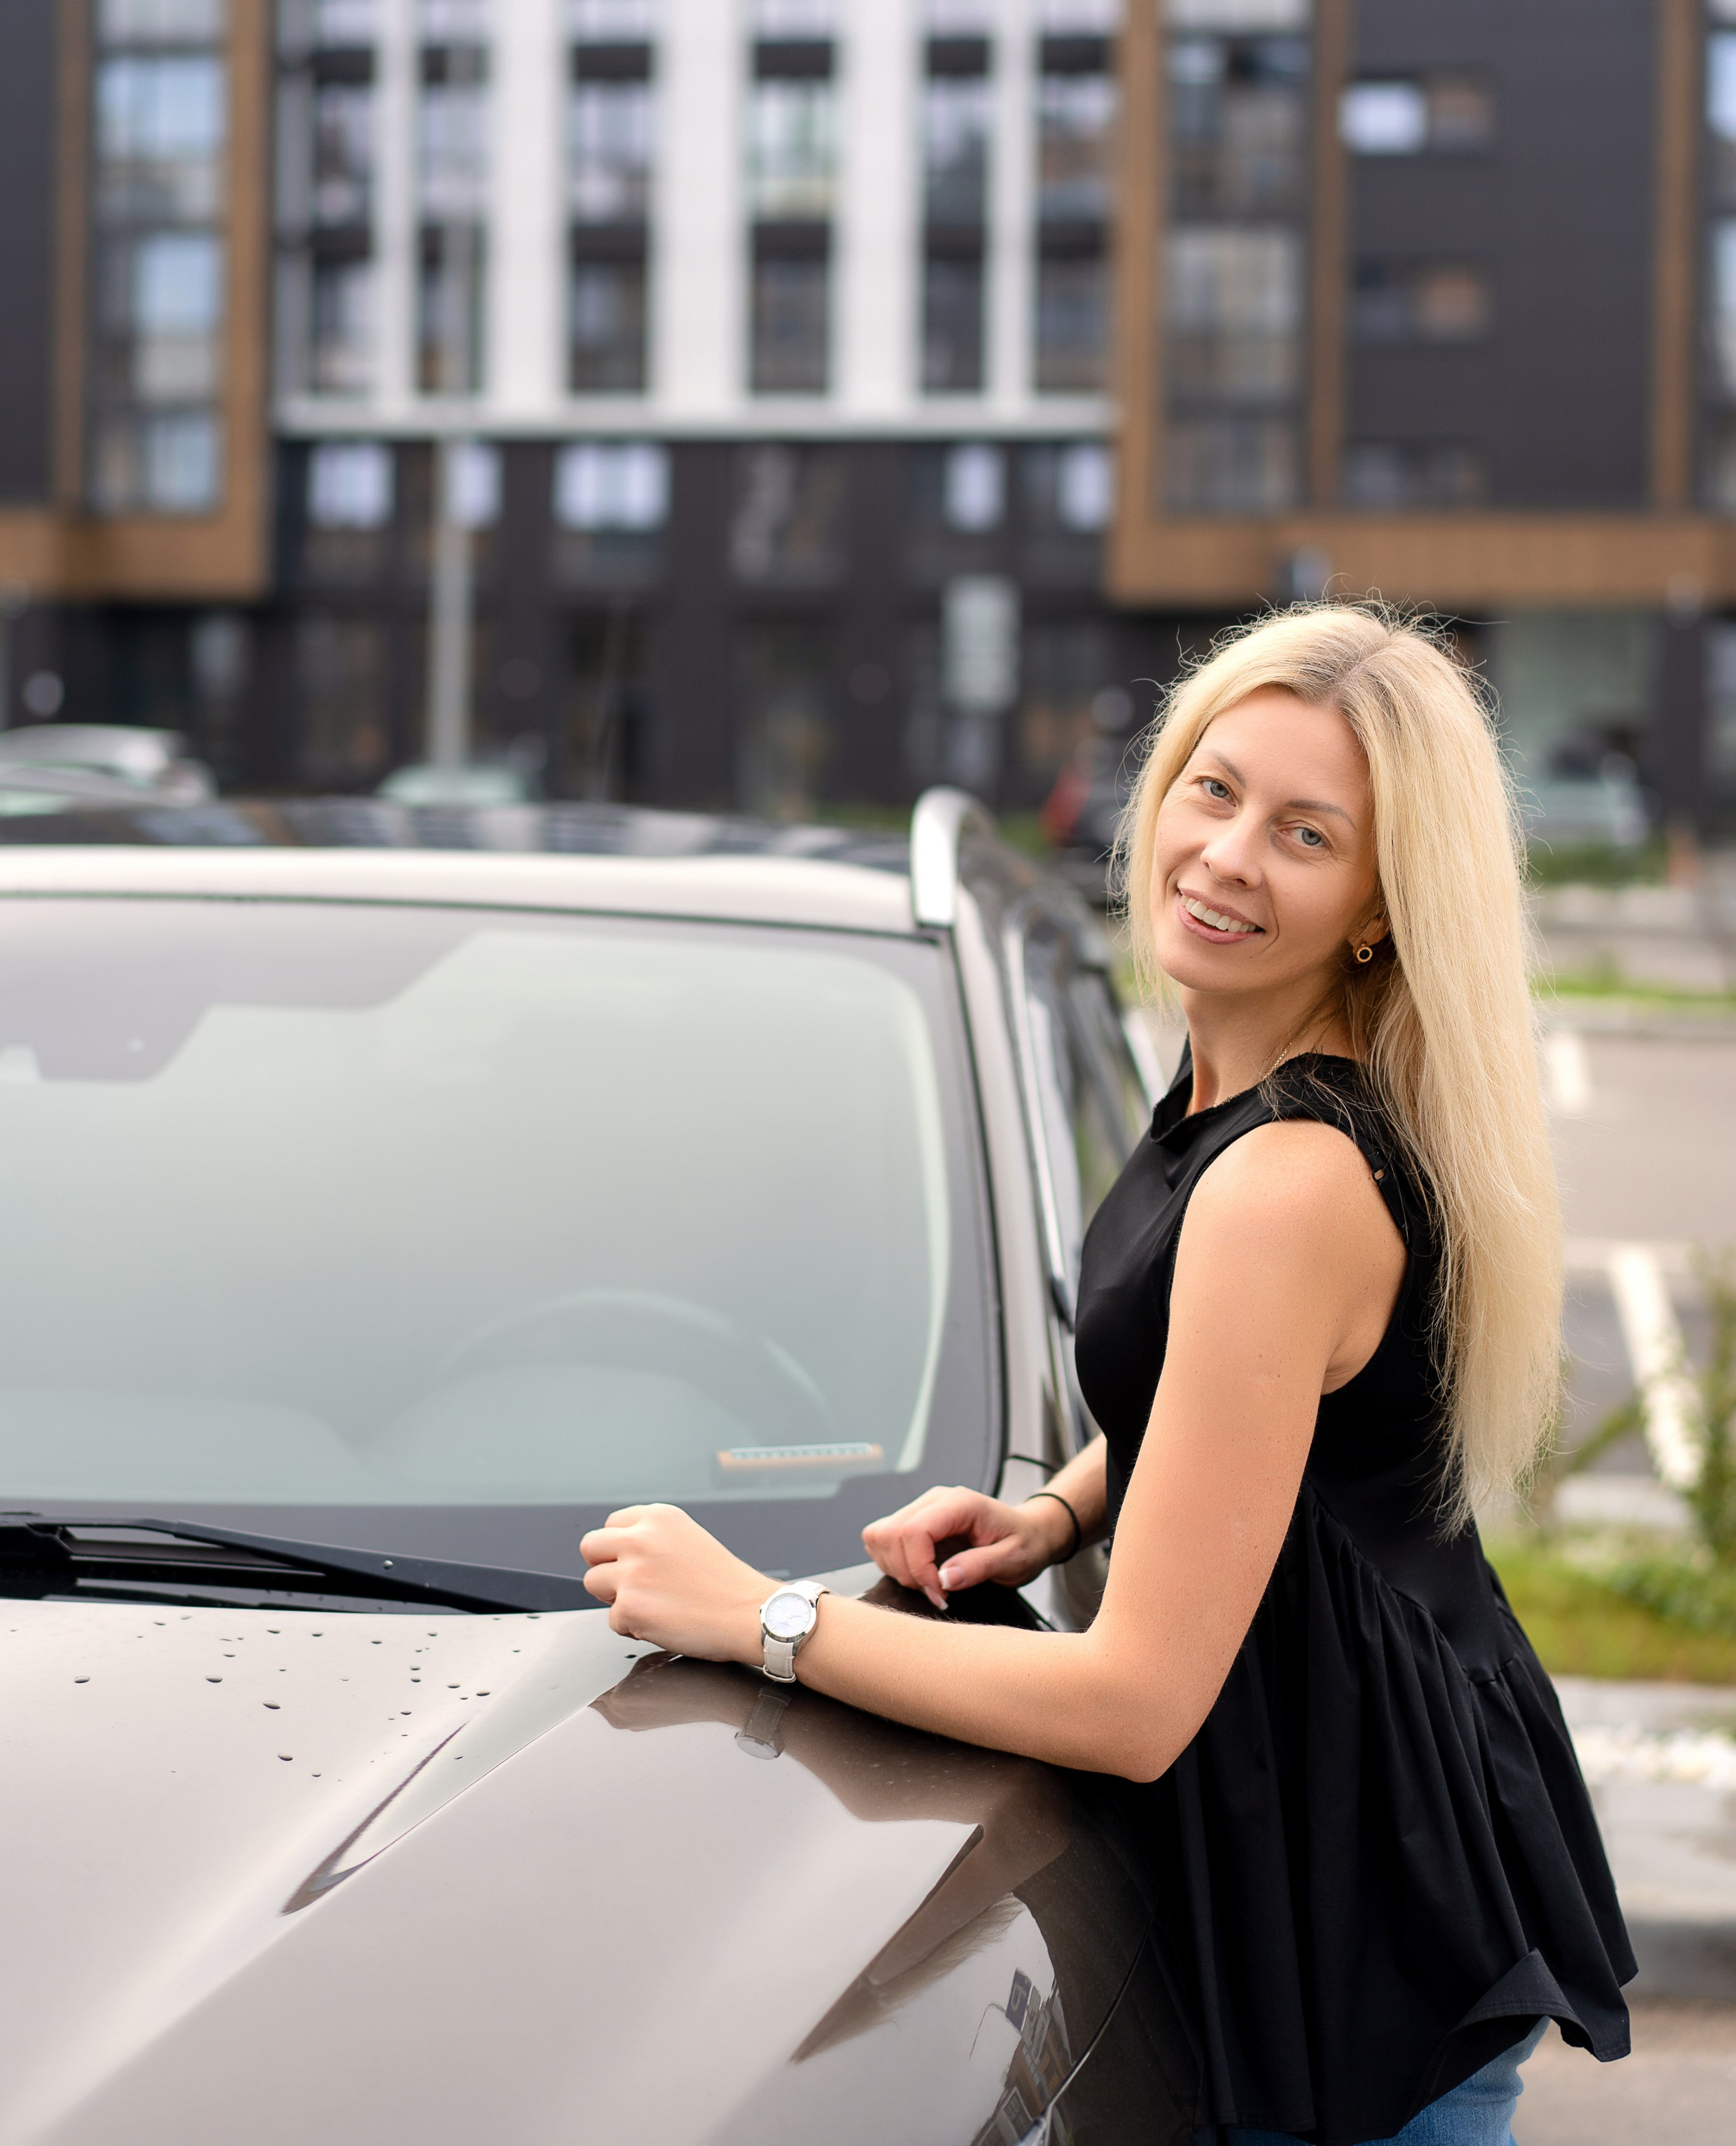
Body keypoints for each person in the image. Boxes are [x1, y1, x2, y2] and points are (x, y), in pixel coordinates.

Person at [580, 603, 1634, 2145]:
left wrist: (761, 1617)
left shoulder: (1288, 1179)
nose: (1221, 855)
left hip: (1355, 1928)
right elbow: (1263, 1396)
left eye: (1302, 833)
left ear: (1375, 907)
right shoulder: (1235, 1076)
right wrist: (1067, 1511)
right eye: (1212, 790)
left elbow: (1135, 1702)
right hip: (1341, 1826)